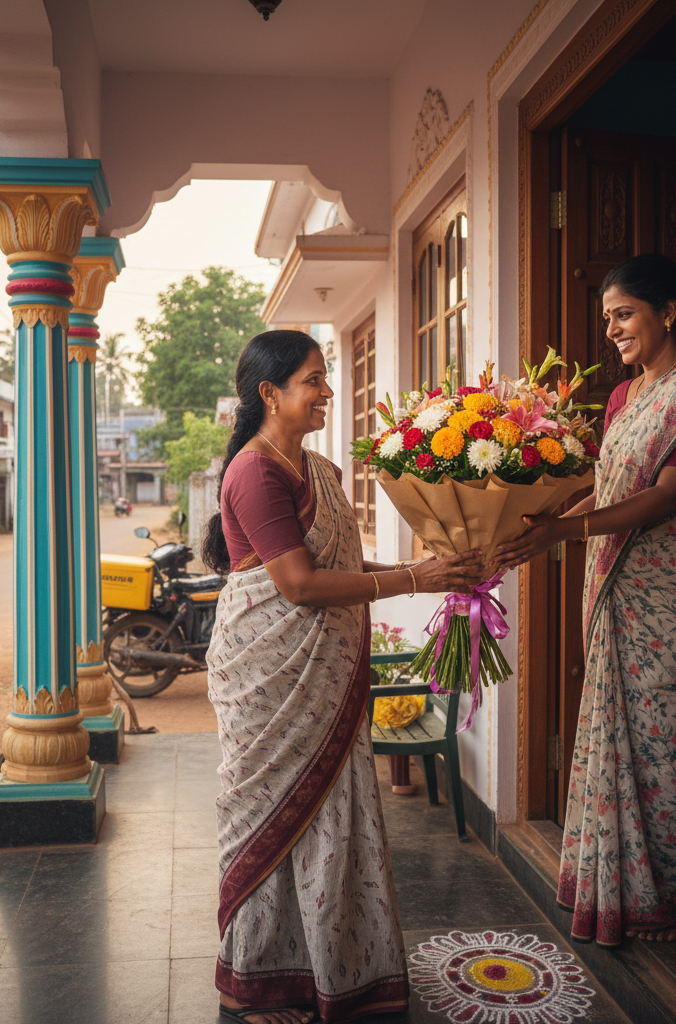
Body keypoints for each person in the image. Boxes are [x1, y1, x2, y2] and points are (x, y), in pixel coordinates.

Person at [203, 330, 484, 1023]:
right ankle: (262, 979)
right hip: (272, 674)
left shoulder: (321, 471)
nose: (327, 391)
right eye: (312, 380)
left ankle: (337, 969)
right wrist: (415, 578)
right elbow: (297, 585)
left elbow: (340, 568)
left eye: (325, 378)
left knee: (334, 811)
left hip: (323, 671)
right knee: (273, 812)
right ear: (270, 394)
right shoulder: (256, 471)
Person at [492, 254, 676, 947]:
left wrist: (568, 528)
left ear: (668, 312)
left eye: (624, 315)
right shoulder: (624, 396)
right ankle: (615, 890)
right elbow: (614, 489)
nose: (613, 331)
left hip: (669, 601)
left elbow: (673, 494)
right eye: (608, 319)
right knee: (618, 734)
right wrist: (547, 521)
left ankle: (675, 897)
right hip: (613, 588)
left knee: (663, 742)